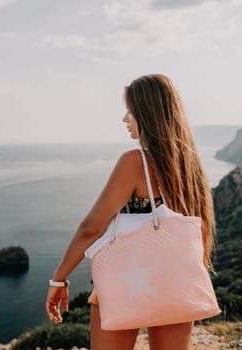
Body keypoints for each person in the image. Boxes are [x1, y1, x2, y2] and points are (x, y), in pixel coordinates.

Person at [45, 74, 216, 350]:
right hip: (176, 281)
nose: (125, 119)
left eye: (130, 111)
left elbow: (92, 227)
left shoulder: (135, 162)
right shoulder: (190, 166)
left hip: (127, 281)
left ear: (147, 113)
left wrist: (59, 278)